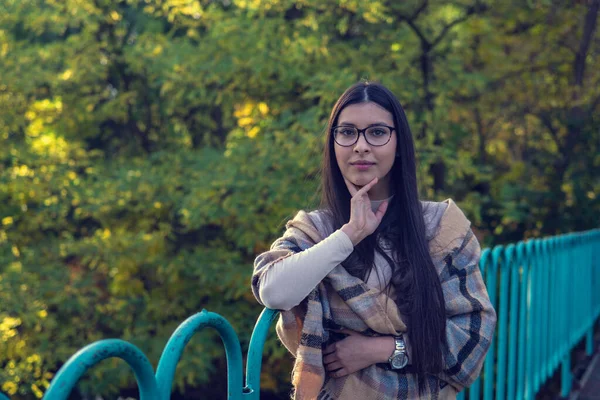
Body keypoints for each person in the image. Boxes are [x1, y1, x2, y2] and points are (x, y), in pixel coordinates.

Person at [251, 81, 496, 400]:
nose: (361, 146)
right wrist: (349, 235)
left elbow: (471, 340)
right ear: (333, 143)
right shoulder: (317, 229)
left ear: (399, 143)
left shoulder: (440, 227)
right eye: (348, 132)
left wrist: (383, 349)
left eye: (377, 132)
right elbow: (272, 290)